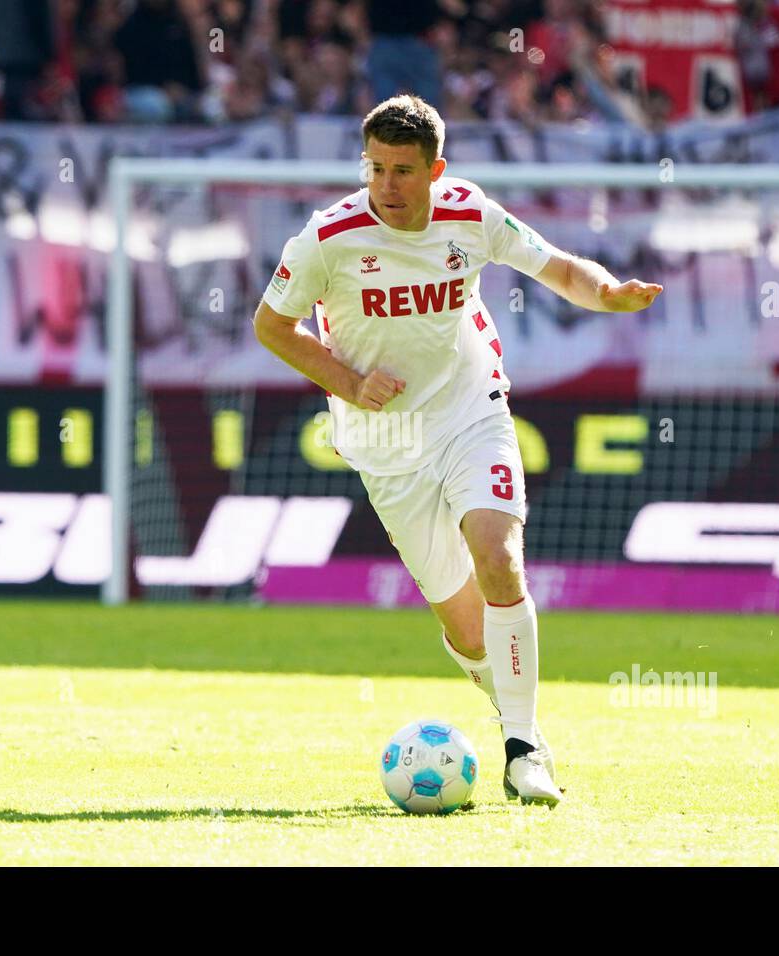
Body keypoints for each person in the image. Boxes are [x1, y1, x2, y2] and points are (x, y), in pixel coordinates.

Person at [252, 95, 662, 807]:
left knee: (499, 557)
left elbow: (559, 269)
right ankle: (514, 714)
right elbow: (271, 326)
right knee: (468, 631)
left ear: (436, 169)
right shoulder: (328, 238)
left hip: (471, 409)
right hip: (386, 440)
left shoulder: (471, 214)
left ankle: (523, 747)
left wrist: (608, 292)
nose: (387, 186)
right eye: (375, 168)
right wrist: (349, 382)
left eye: (403, 171)